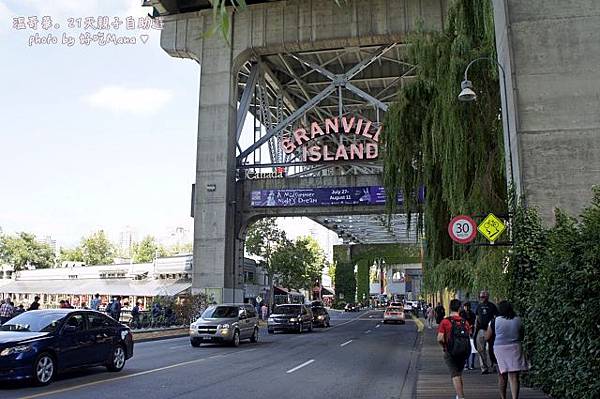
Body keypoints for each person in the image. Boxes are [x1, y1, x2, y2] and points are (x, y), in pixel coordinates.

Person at [485, 301, 528, 399]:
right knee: (514, 376)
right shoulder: (518, 320)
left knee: (502, 375)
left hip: (500, 349)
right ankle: (514, 397)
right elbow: (522, 335)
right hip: (515, 347)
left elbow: (487, 337)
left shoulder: (495, 321)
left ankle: (503, 397)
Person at [437, 299, 471, 399]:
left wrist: (444, 346)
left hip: (450, 351)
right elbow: (468, 335)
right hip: (463, 352)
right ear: (460, 308)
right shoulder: (465, 322)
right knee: (459, 373)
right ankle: (458, 395)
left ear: (450, 308)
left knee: (455, 374)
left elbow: (440, 338)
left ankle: (461, 397)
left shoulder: (445, 321)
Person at [475, 290, 498, 374]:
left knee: (492, 348)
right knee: (481, 349)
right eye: (480, 297)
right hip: (481, 330)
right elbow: (477, 318)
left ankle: (494, 364)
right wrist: (475, 330)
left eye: (483, 297)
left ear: (487, 297)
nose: (482, 298)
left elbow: (496, 318)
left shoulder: (492, 306)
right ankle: (484, 367)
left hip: (490, 330)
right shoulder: (478, 306)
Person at [460, 302, 477, 370]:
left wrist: (471, 327)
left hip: (471, 332)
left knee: (473, 348)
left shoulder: (472, 314)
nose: (466, 308)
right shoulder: (461, 313)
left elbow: (474, 322)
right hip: (464, 332)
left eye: (468, 306)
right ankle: (466, 364)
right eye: (465, 306)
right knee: (465, 349)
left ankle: (472, 364)